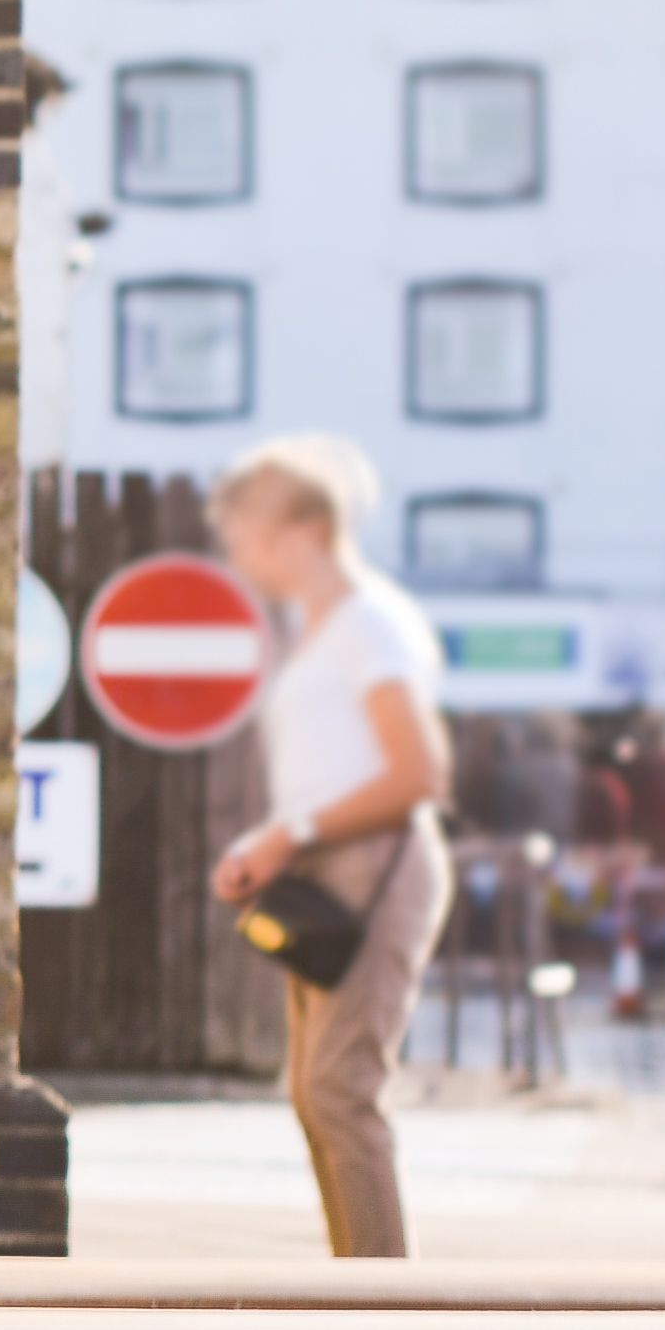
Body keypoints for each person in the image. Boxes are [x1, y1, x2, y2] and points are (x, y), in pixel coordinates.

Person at [201, 433, 450, 1260]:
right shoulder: (328, 631)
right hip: (333, 864)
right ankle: (359, 1286)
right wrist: (271, 845)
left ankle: (386, 1309)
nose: (233, 546)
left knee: (340, 1092)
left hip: (373, 864)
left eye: (242, 527)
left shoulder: (367, 624)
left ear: (299, 530)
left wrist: (288, 836)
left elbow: (418, 771)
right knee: (316, 1092)